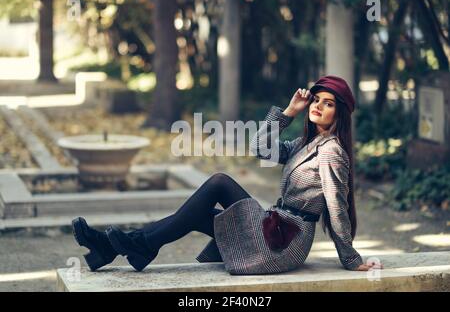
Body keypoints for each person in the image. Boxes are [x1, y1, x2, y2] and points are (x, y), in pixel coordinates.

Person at [72, 75, 384, 274]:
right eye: (316, 100)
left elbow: (336, 205)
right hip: (274, 227)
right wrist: (288, 112)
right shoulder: (307, 143)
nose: (317, 106)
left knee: (220, 182)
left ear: (338, 113)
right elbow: (261, 148)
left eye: (327, 104)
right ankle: (112, 249)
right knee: (198, 213)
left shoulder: (331, 151)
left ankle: (129, 246)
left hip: (284, 242)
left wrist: (351, 259)